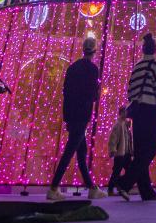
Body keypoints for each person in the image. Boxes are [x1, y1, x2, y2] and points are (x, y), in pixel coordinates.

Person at [47, 36, 104, 201]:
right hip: (82, 114)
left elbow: (66, 91)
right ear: (94, 51)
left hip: (71, 113)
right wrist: (97, 93)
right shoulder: (93, 70)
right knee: (70, 150)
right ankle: (53, 187)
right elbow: (92, 95)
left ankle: (92, 187)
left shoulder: (72, 68)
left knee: (81, 151)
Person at [120, 33, 156, 201]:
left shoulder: (137, 66)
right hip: (150, 111)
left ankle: (146, 191)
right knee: (150, 150)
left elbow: (130, 91)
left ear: (143, 49)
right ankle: (125, 183)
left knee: (141, 151)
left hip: (138, 113)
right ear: (155, 50)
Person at [107, 105, 134, 200]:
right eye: (125, 112)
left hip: (126, 153)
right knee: (116, 171)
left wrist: (131, 150)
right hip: (120, 153)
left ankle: (123, 185)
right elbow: (113, 138)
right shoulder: (118, 124)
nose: (127, 114)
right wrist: (112, 150)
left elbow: (129, 140)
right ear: (122, 113)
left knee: (130, 169)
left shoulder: (126, 124)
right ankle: (111, 188)